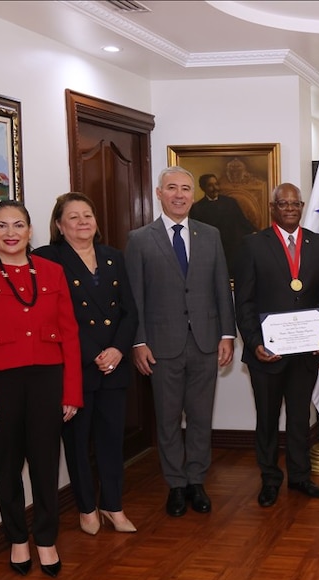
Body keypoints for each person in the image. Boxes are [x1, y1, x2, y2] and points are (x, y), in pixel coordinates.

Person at [0, 200, 82, 577]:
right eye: (2, 226)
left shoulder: (52, 272)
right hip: (0, 382)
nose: (11, 233)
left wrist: (71, 391)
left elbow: (70, 336)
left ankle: (45, 539)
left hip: (47, 378)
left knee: (45, 464)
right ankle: (17, 539)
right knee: (6, 466)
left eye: (18, 225)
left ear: (30, 231)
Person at [124, 166, 235, 518]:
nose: (179, 194)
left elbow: (221, 287)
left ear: (193, 194)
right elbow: (134, 297)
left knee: (201, 417)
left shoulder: (210, 235)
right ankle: (175, 484)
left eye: (186, 188)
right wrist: (138, 341)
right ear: (159, 193)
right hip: (161, 345)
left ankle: (196, 480)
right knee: (168, 419)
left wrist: (227, 334)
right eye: (172, 188)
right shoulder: (140, 239)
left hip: (205, 341)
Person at [33, 192, 139, 535]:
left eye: (88, 215)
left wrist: (119, 350)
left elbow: (129, 310)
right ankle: (86, 508)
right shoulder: (47, 259)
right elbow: (51, 316)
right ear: (59, 226)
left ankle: (113, 506)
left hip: (114, 365)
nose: (82, 222)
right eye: (73, 217)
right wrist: (93, 351)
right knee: (77, 442)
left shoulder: (113, 257)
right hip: (75, 367)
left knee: (111, 440)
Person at [235, 182, 319, 508]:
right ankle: (269, 479)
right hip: (267, 353)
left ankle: (300, 477)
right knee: (266, 420)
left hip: (306, 352)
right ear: (273, 207)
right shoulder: (252, 245)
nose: (290, 208)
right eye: (283, 203)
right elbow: (245, 301)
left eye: (295, 203)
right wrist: (253, 343)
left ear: (303, 206)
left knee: (298, 418)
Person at [189, 173, 256, 278]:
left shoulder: (230, 203)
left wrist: (255, 234)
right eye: (210, 185)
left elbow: (242, 222)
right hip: (211, 253)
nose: (215, 188)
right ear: (203, 188)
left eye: (216, 184)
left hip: (232, 252)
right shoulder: (197, 209)